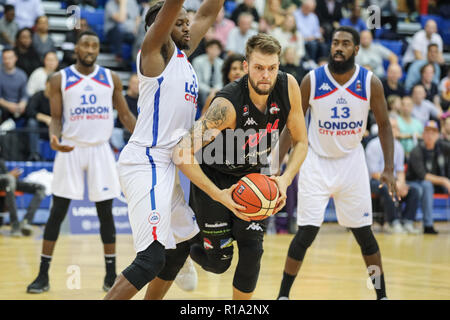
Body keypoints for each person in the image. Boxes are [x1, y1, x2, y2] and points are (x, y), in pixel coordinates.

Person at [104, 0, 225, 300]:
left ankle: (179, 258)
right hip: (146, 162)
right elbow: (173, 6)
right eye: (179, 22)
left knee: (190, 249)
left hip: (170, 165)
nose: (187, 25)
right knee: (150, 259)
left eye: (187, 22)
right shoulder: (153, 52)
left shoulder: (183, 55)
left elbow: (209, 12)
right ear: (158, 28)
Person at [173, 33, 308, 300]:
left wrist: (283, 179)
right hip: (216, 177)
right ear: (246, 67)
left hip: (252, 176)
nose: (266, 75)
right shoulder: (227, 105)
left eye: (272, 68)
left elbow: (301, 141)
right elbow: (181, 153)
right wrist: (218, 194)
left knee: (252, 250)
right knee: (218, 263)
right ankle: (186, 248)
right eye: (258, 68)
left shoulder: (288, 86)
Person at [277, 26, 397, 300]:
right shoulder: (312, 80)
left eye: (345, 43)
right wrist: (277, 164)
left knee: (364, 235)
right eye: (334, 43)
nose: (338, 48)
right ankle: (283, 295)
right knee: (306, 233)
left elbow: (385, 125)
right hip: (316, 161)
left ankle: (382, 296)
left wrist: (389, 168)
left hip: (352, 162)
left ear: (356, 49)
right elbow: (291, 125)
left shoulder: (370, 82)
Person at [26, 30, 137, 294]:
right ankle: (42, 275)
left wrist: (145, 138)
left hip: (100, 149)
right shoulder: (59, 79)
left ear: (99, 49)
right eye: (85, 45)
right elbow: (55, 117)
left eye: (95, 45)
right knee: (57, 211)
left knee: (105, 213)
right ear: (76, 49)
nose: (90, 49)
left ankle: (110, 275)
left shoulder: (110, 78)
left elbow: (124, 114)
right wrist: (54, 137)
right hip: (71, 148)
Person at [366, 118, 420, 234]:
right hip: (375, 181)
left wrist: (401, 183)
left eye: (396, 127)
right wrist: (394, 183)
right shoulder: (373, 145)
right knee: (387, 188)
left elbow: (400, 171)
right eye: (393, 127)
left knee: (414, 190)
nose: (395, 130)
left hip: (393, 180)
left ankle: (407, 222)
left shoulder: (398, 146)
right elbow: (374, 173)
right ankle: (392, 222)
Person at [406, 120, 450, 235]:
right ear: (423, 134)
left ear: (438, 135)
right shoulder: (416, 151)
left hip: (436, 183)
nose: (430, 135)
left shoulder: (441, 146)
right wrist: (444, 181)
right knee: (427, 185)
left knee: (428, 185)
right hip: (414, 182)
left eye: (433, 132)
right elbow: (423, 176)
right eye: (427, 132)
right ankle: (428, 225)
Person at [0, 157, 46, 236]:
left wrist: (11, 175)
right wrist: (9, 175)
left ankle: (26, 221)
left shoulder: (1, 161)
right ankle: (15, 225)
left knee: (41, 188)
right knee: (9, 179)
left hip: (7, 182)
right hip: (7, 181)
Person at [192, 39, 224, 112]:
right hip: (201, 93)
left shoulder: (221, 63)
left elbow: (221, 82)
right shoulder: (198, 61)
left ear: (220, 51)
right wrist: (210, 90)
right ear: (207, 49)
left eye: (217, 49)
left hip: (216, 92)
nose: (214, 51)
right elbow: (197, 82)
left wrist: (215, 90)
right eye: (211, 48)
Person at [25, 74, 52, 161]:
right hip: (40, 126)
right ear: (46, 84)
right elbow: (29, 111)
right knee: (31, 123)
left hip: (55, 126)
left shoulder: (60, 97)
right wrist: (45, 118)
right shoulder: (38, 95)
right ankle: (35, 154)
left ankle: (63, 152)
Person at [0, 48, 28, 125]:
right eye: (5, 58)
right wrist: (9, 105)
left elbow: (25, 96)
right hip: (4, 106)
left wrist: (22, 104)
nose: (8, 61)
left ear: (15, 58)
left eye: (10, 58)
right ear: (2, 59)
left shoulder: (22, 75)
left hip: (18, 106)